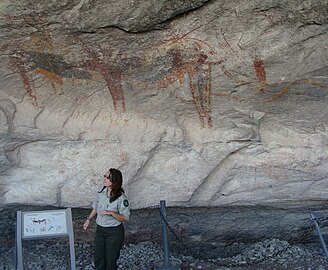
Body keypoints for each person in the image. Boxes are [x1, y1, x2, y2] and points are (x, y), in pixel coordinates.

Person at [83, 168, 130, 270]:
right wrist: (88, 219)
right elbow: (96, 207)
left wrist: (112, 213)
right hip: (100, 230)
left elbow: (125, 218)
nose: (105, 179)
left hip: (114, 232)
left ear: (115, 181)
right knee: (99, 258)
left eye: (108, 177)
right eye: (105, 176)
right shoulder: (101, 193)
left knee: (111, 261)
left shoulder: (121, 198)